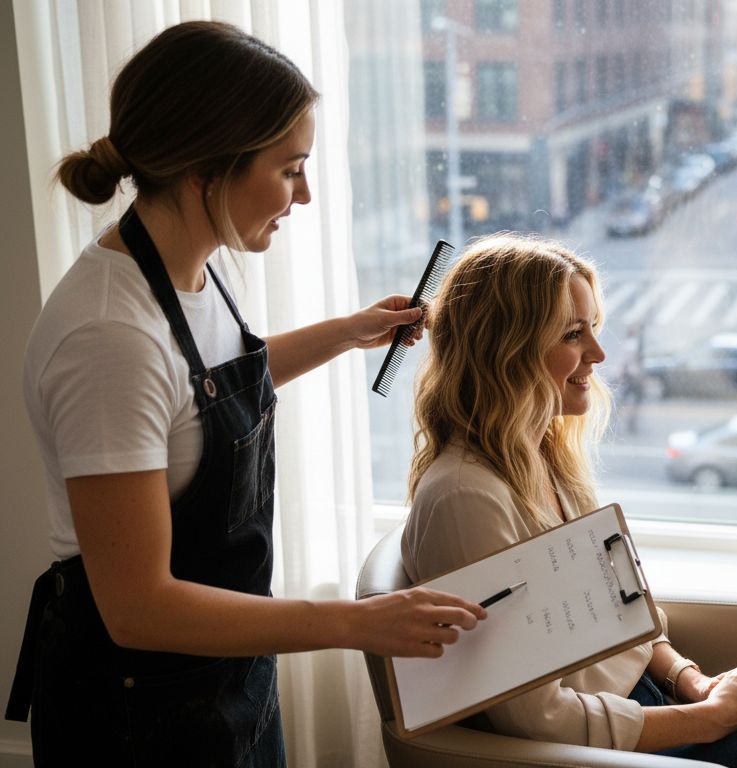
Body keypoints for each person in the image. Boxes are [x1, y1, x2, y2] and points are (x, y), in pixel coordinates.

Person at [6, 21, 485, 767]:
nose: (305, 193)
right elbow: (137, 608)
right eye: (291, 168)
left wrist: (347, 332)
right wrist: (356, 623)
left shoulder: (197, 263)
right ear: (209, 168)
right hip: (138, 715)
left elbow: (199, 401)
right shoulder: (107, 339)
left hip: (228, 673)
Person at [401, 233, 737, 766]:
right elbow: (536, 720)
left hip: (656, 717)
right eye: (573, 335)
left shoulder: (540, 461)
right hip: (614, 756)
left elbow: (625, 620)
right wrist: (708, 720)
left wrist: (696, 683)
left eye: (594, 328)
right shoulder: (465, 498)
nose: (598, 353)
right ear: (507, 350)